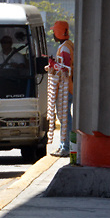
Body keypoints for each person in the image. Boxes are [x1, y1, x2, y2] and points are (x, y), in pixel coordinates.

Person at [46, 20, 74, 157]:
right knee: (64, 117)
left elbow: (65, 69)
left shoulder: (64, 49)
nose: (52, 35)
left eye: (54, 32)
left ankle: (66, 146)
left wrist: (53, 64)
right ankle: (65, 145)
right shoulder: (68, 45)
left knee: (64, 117)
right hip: (67, 86)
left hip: (65, 87)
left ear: (58, 32)